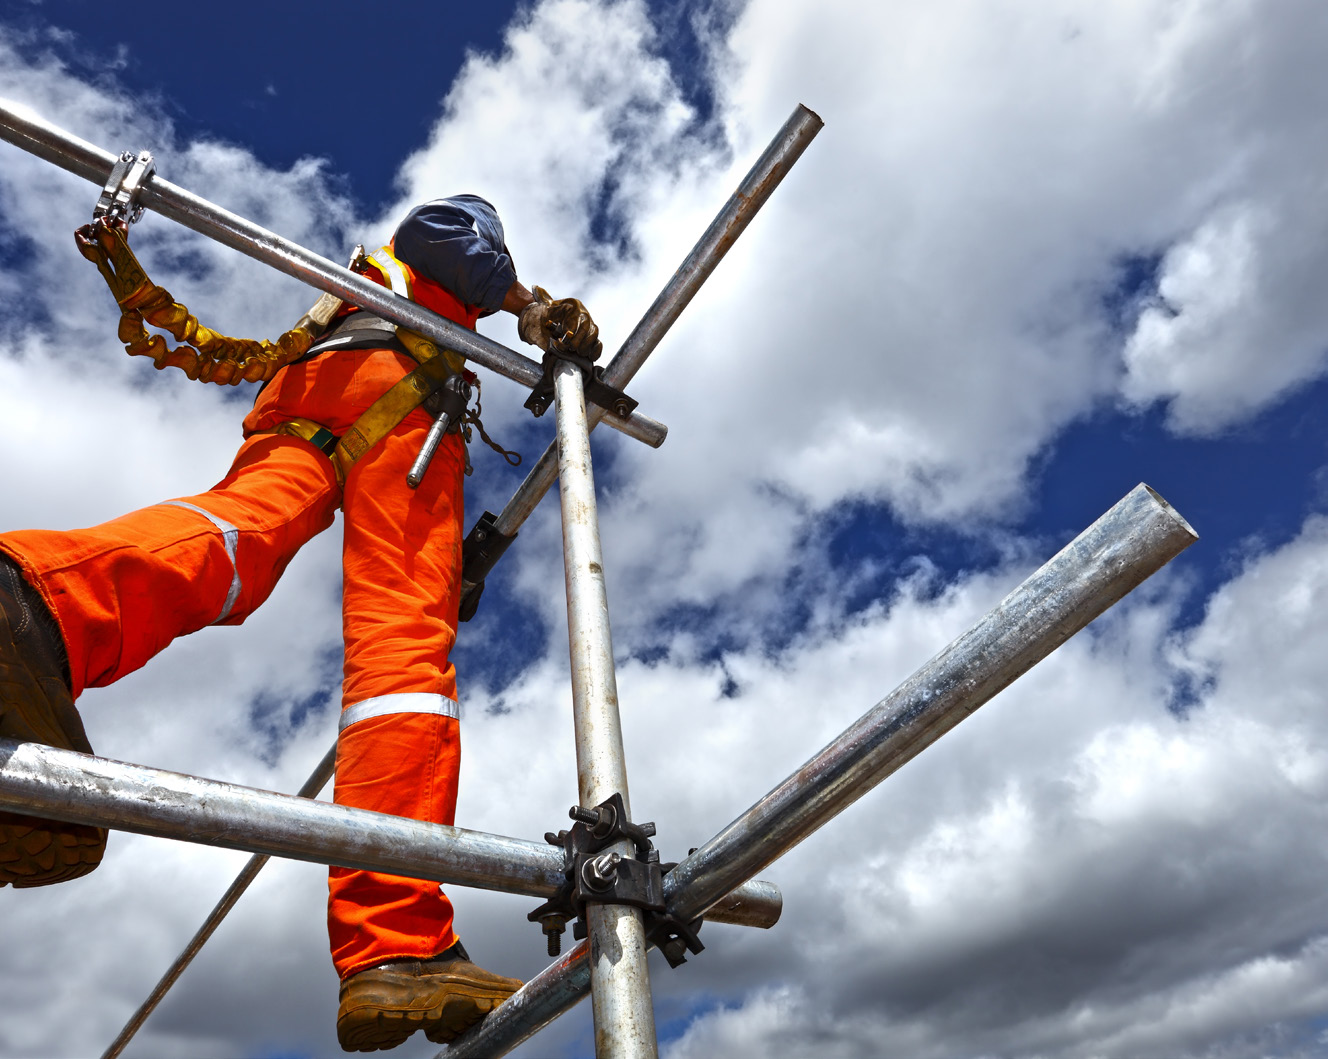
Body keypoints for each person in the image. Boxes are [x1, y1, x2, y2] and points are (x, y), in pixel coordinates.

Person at [0, 194, 602, 1051]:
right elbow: (442, 237)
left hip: (313, 398)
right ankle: (396, 941)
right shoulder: (446, 243)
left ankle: (35, 607)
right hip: (401, 396)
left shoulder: (359, 291)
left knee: (236, 541)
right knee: (401, 653)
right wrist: (531, 307)